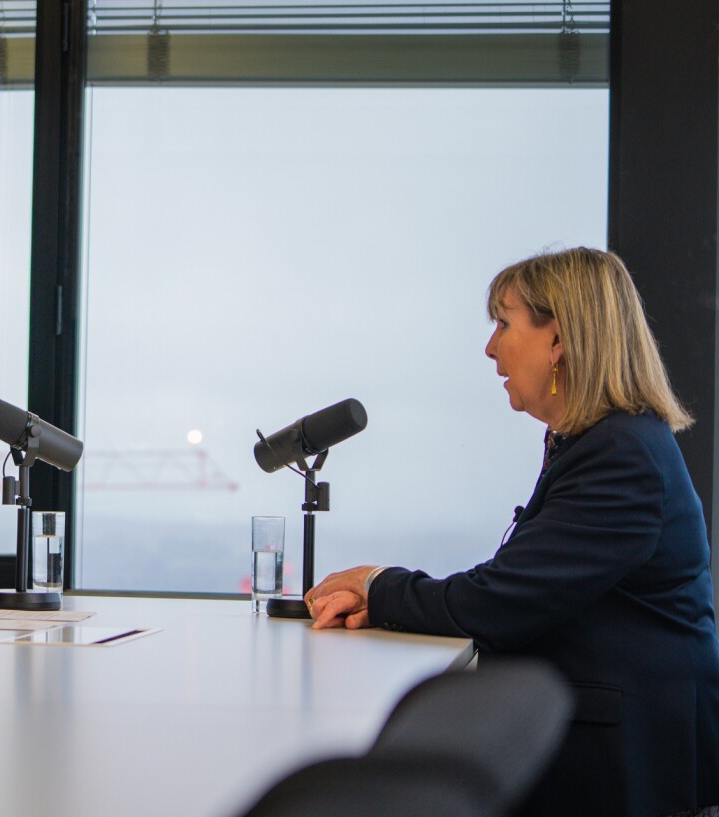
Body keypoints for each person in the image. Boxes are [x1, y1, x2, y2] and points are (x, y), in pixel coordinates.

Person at [306, 247, 719, 817]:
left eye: (504, 323)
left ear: (561, 340)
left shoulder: (622, 456)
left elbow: (504, 599)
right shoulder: (597, 443)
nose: (490, 347)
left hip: (631, 768)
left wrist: (379, 587)